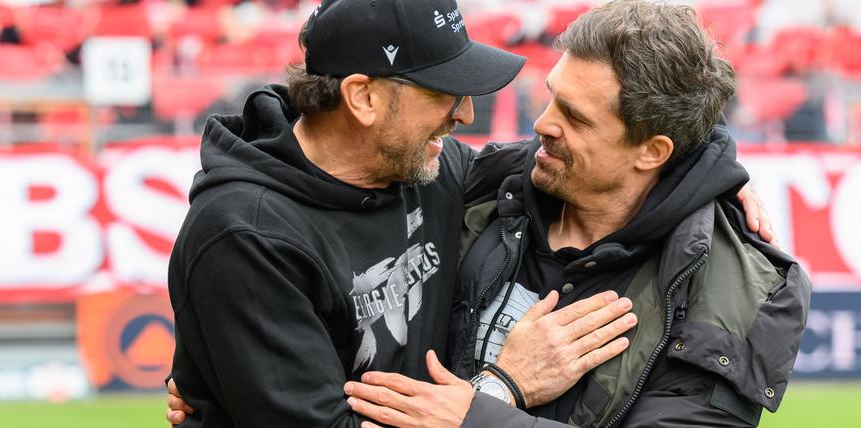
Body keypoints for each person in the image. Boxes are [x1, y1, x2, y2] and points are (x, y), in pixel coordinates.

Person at [165, 0, 777, 426]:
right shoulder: (245, 237)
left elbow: (609, 151)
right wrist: (501, 390)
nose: (464, 114)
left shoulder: (430, 171)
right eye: (443, 92)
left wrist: (710, 175)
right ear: (363, 97)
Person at [339, 1, 810, 427]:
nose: (542, 123)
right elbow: (338, 149)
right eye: (552, 96)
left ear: (652, 151)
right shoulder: (485, 182)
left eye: (576, 117)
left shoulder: (729, 290)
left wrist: (482, 413)